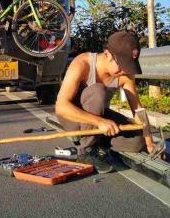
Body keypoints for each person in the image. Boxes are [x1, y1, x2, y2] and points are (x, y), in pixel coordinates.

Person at [55, 31, 157, 173]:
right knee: (98, 91)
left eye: (128, 66)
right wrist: (99, 122)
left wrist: (150, 142)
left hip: (100, 118)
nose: (124, 71)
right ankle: (87, 151)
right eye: (122, 65)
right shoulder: (82, 63)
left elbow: (138, 110)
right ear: (108, 54)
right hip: (74, 119)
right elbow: (61, 107)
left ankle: (99, 140)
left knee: (137, 141)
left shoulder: (125, 74)